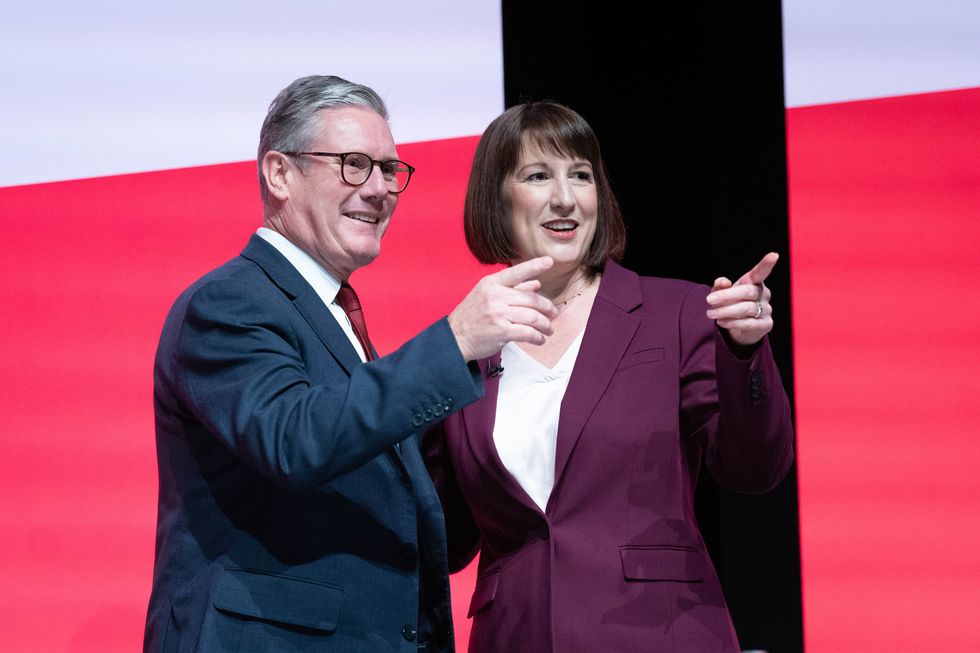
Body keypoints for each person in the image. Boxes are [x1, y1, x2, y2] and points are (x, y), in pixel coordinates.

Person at [143, 75, 559, 653]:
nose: (379, 188)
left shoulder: (336, 317)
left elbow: (401, 499)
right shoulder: (229, 303)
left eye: (389, 170)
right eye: (353, 164)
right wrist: (454, 340)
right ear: (280, 173)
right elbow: (293, 439)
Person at [424, 102, 795, 652]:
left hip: (658, 631)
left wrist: (744, 353)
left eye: (581, 175)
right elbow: (447, 538)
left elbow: (754, 469)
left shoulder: (677, 313)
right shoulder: (465, 346)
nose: (566, 198)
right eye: (537, 176)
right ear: (494, 198)